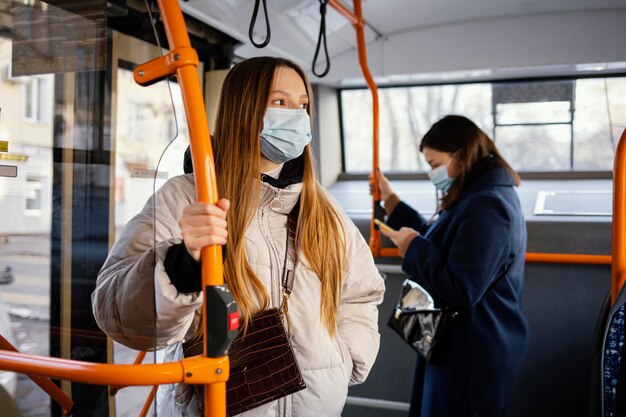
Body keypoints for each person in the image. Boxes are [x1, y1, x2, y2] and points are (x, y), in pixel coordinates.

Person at [92, 56, 385, 417]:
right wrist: (182, 267)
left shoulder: (322, 208)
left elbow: (359, 295)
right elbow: (116, 310)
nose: (296, 116)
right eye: (279, 102)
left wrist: (343, 358)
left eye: (303, 105)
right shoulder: (185, 197)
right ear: (243, 109)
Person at [375, 115, 529, 417]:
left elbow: (463, 287)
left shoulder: (489, 206)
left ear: (459, 155)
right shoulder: (476, 195)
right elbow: (443, 245)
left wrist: (413, 248)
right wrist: (391, 201)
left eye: (435, 164)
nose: (433, 173)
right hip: (458, 342)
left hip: (472, 351)